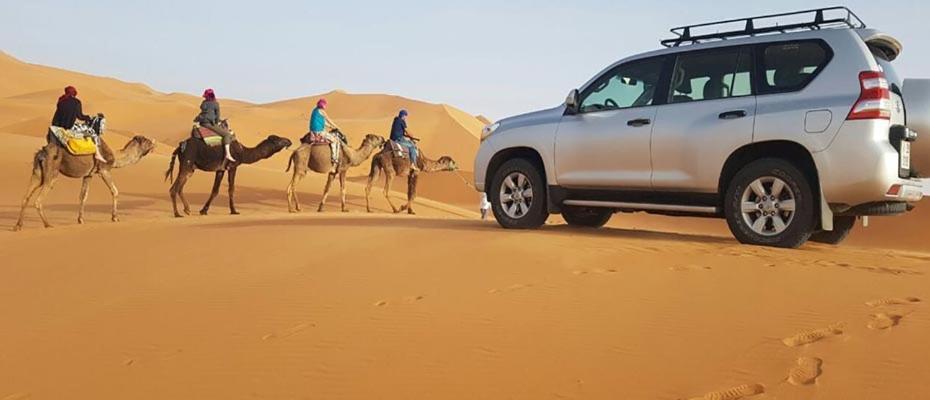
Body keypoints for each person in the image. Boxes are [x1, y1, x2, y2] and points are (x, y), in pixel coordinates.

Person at [51, 86, 107, 163]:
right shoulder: (76, 102)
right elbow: (80, 116)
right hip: (69, 127)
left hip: (57, 126)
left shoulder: (61, 101)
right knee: (93, 133)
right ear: (74, 93)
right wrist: (89, 117)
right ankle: (97, 153)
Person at [195, 88, 236, 162]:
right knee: (227, 134)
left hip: (202, 122)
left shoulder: (203, 103)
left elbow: (205, 111)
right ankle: (228, 154)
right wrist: (217, 122)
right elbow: (217, 115)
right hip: (209, 124)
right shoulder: (215, 104)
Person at [309, 98, 343, 168]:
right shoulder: (322, 111)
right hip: (319, 132)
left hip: (313, 131)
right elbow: (328, 119)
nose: (325, 106)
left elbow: (323, 122)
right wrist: (337, 126)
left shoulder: (315, 110)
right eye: (325, 105)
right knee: (335, 141)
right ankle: (335, 159)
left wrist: (331, 127)